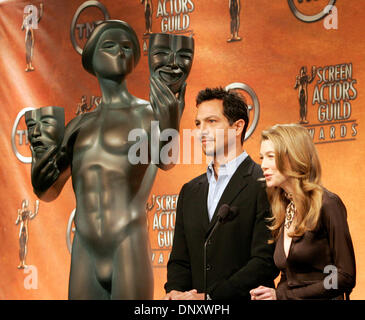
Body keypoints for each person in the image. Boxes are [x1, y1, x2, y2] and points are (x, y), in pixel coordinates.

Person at [26, 21, 193, 299]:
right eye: (110, 45)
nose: (120, 52)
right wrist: (40, 159)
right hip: (85, 247)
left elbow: (167, 159)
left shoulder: (148, 114)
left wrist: (171, 122)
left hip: (127, 243)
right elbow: (46, 191)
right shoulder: (78, 125)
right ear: (91, 58)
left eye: (127, 47)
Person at [164, 87, 278, 300]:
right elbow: (180, 258)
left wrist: (211, 298)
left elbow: (264, 262)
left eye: (212, 121)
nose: (201, 131)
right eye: (198, 123)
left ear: (238, 127)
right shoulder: (189, 191)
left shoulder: (264, 184)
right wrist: (175, 292)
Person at [250, 124, 356, 300]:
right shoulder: (285, 207)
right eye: (262, 157)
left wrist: (282, 296)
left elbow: (344, 277)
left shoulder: (328, 203)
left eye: (271, 157)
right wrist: (270, 295)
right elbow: (289, 277)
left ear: (293, 157)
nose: (263, 165)